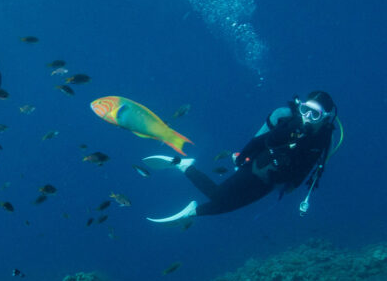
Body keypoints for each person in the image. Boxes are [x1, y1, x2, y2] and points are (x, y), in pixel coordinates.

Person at [145, 91, 339, 223]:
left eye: (315, 114)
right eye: (305, 110)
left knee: (229, 206)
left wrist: (295, 184)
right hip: (255, 168)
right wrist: (242, 158)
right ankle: (183, 164)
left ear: (326, 117)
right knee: (217, 196)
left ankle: (192, 212)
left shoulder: (324, 138)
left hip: (271, 183)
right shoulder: (290, 125)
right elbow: (259, 141)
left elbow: (312, 165)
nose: (307, 117)